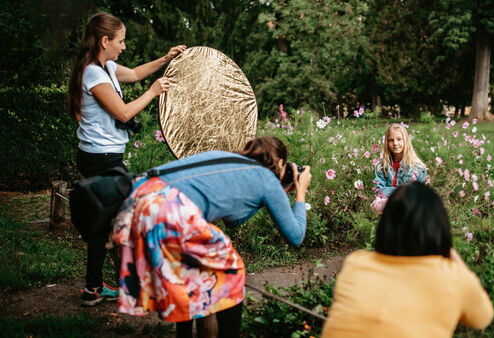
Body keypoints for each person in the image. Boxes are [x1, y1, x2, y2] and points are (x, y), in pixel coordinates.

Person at [108, 136, 312, 338]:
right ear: (280, 163)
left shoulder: (226, 159)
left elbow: (234, 220)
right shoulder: (268, 179)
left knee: (187, 270)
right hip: (171, 208)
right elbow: (295, 236)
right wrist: (300, 192)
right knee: (233, 270)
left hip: (140, 196)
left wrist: (277, 193)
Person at [66, 12, 186, 306]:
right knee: (129, 216)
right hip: (101, 159)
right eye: (120, 41)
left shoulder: (105, 66)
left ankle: (94, 288)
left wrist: (165, 59)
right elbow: (122, 112)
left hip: (103, 156)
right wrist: (154, 92)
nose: (124, 46)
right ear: (105, 40)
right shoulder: (94, 73)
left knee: (104, 222)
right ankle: (138, 282)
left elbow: (132, 73)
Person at [322, 182, 494, 337]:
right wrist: (451, 254)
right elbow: (482, 318)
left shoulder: (356, 263)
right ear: (437, 228)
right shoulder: (454, 277)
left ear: (385, 225)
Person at [371, 123, 427, 213]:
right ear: (387, 143)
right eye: (391, 140)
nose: (395, 143)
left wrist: (389, 191)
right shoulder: (381, 166)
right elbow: (378, 191)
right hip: (386, 210)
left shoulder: (417, 167)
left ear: (405, 141)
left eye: (399, 139)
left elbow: (417, 195)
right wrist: (401, 191)